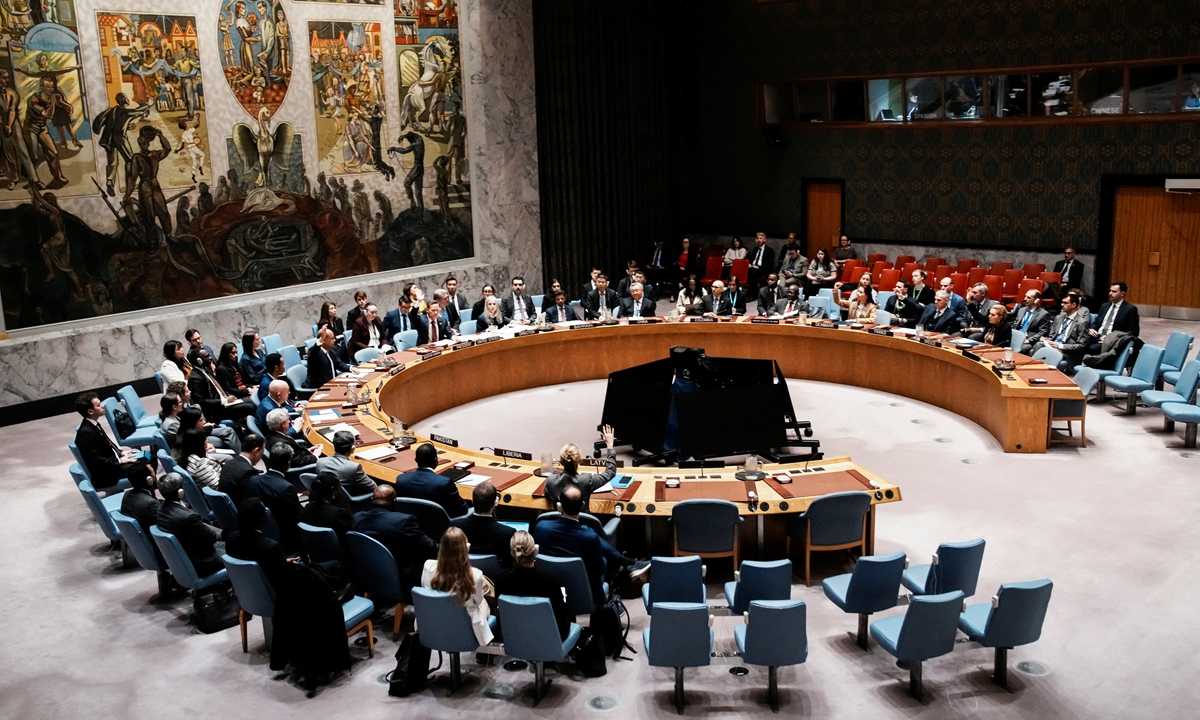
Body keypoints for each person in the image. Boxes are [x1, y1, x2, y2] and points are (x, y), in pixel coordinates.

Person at [531, 485, 647, 606]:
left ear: (559, 503)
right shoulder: (588, 536)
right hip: (584, 591)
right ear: (583, 504)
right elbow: (599, 570)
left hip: (550, 588)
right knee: (604, 558)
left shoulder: (541, 527)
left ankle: (628, 563)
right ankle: (626, 565)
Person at [351, 485, 438, 591]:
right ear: (394, 501)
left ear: (372, 499)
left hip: (368, 575)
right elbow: (430, 547)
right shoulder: (403, 521)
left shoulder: (356, 518)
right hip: (403, 579)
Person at [420, 527, 493, 646]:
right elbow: (478, 601)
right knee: (484, 601)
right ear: (466, 549)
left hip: (437, 618)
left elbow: (427, 590)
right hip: (466, 623)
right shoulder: (476, 575)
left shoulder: (428, 566)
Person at [494, 532, 572, 640]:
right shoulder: (549, 582)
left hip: (513, 635)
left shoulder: (501, 579)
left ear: (512, 553)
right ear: (536, 550)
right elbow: (561, 614)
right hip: (548, 637)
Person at [73, 392, 151, 489]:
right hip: (106, 473)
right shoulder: (86, 434)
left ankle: (149, 488)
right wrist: (119, 460)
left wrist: (121, 452)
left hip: (111, 463)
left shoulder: (93, 424)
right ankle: (146, 494)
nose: (102, 406)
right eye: (98, 405)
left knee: (150, 458)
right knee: (143, 467)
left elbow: (107, 444)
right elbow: (95, 460)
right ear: (90, 411)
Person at [156, 473, 223, 577]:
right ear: (180, 492)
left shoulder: (161, 510)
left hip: (187, 558)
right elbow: (212, 537)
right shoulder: (188, 516)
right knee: (242, 547)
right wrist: (226, 535)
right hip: (205, 562)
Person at [248, 444, 304, 551]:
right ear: (288, 462)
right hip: (286, 537)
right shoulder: (287, 487)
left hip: (260, 529)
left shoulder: (254, 480)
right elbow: (297, 517)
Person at [546, 425, 617, 507]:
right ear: (580, 460)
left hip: (559, 518)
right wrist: (610, 446)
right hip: (584, 519)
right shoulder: (587, 480)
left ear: (561, 461)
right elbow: (610, 472)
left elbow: (548, 494)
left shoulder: (551, 481)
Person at [451, 482, 516, 568]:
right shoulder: (507, 533)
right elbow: (508, 564)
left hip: (463, 573)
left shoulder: (456, 526)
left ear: (472, 502)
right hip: (495, 579)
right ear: (495, 503)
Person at [394, 443, 469, 518]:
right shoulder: (444, 483)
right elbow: (462, 510)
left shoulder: (401, 479)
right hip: (439, 526)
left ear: (416, 460)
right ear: (435, 459)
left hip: (410, 522)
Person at [187, 347, 256, 424]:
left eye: (209, 355)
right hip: (217, 410)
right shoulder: (195, 378)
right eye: (206, 356)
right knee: (251, 407)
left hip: (225, 402)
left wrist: (227, 397)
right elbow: (201, 401)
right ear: (199, 361)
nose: (210, 358)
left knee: (253, 400)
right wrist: (224, 401)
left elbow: (218, 387)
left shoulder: (206, 369)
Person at [1033, 291, 1091, 370]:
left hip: (1066, 351)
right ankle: (1033, 369)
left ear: (1073, 305)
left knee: (1049, 353)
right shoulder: (1059, 317)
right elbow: (1051, 335)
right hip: (1053, 345)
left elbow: (1081, 346)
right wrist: (1047, 340)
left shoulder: (1082, 322)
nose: (1062, 305)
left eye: (1065, 303)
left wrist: (1059, 346)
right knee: (1039, 344)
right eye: (1062, 302)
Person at [315, 430, 377, 498]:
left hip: (328, 499)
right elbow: (373, 487)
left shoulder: (320, 462)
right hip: (351, 502)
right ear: (353, 448)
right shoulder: (353, 467)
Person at [1088, 281, 1140, 355]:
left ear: (1122, 293)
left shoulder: (1130, 309)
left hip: (1112, 342)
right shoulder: (1104, 306)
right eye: (1110, 291)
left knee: (1091, 348)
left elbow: (1134, 332)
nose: (1110, 293)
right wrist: (1092, 329)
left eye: (1114, 291)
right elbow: (1096, 322)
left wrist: (1112, 338)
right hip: (1096, 337)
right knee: (1076, 343)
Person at [299, 473, 355, 539]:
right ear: (333, 490)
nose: (340, 492)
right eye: (339, 488)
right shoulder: (340, 515)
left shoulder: (307, 508)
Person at [218, 433, 265, 506]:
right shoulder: (248, 472)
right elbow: (252, 500)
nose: (261, 457)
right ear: (256, 451)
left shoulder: (228, 463)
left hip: (224, 509)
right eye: (262, 453)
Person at [120, 468, 160, 536]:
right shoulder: (150, 503)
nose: (154, 475)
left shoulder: (127, 494)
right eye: (153, 473)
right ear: (149, 480)